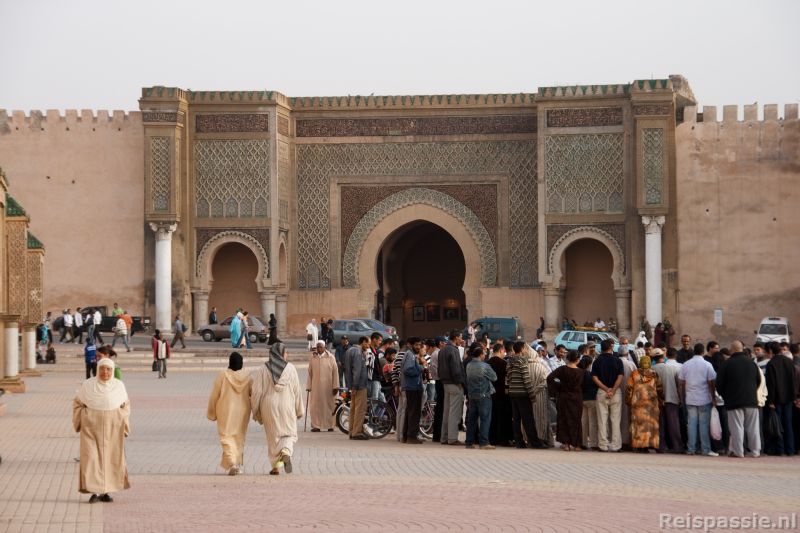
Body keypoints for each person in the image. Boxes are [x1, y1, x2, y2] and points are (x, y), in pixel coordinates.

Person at [72, 357, 130, 503]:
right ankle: (95, 491)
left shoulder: (119, 386)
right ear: (98, 370)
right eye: (102, 369)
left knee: (111, 458)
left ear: (112, 371)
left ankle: (106, 491)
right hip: (91, 428)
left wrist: (121, 418)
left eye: (109, 369)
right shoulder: (88, 385)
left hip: (113, 428)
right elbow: (77, 403)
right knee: (91, 458)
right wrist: (84, 418)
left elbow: (126, 405)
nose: (105, 372)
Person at [250, 342, 305, 475]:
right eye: (286, 353)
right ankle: (286, 451)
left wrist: (255, 411)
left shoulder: (263, 369)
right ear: (281, 354)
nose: (287, 355)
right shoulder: (291, 368)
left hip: (268, 407)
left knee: (273, 437)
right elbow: (297, 391)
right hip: (287, 405)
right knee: (289, 434)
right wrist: (299, 410)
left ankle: (275, 467)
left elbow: (257, 391)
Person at [207, 352, 252, 475]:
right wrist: (257, 412)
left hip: (225, 410)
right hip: (243, 412)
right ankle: (236, 464)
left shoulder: (223, 375)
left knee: (226, 436)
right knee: (239, 437)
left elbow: (214, 396)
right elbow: (253, 395)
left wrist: (211, 413)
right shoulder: (248, 377)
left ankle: (232, 463)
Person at [716, 341, 761, 458]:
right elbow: (758, 380)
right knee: (753, 427)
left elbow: (719, 383)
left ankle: (738, 452)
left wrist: (725, 396)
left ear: (732, 350)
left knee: (736, 427)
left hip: (733, 401)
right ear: (742, 349)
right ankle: (755, 451)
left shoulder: (727, 364)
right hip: (751, 400)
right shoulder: (752, 363)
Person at [678, 343, 718, 456]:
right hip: (704, 398)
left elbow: (681, 383)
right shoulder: (707, 365)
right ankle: (705, 449)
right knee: (704, 424)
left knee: (691, 424)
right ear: (703, 351)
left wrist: (682, 398)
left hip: (690, 398)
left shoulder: (686, 365)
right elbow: (712, 382)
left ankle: (691, 449)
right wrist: (713, 398)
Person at [506, 341, 547, 449]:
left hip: (513, 393)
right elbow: (526, 379)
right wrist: (532, 395)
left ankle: (519, 442)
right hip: (523, 394)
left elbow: (508, 378)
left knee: (516, 419)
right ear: (523, 349)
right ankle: (535, 443)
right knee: (528, 419)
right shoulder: (522, 361)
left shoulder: (510, 361)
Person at [592, 338, 625, 452]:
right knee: (615, 420)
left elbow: (594, 377)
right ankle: (616, 445)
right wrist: (613, 390)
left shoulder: (597, 361)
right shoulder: (618, 360)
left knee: (602, 420)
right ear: (611, 347)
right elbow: (620, 376)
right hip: (615, 393)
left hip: (602, 391)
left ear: (601, 348)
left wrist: (606, 389)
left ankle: (603, 445)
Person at [764, 341, 797, 456]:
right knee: (788, 423)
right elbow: (794, 381)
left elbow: (771, 384)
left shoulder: (771, 364)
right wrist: (794, 397)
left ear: (771, 351)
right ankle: (791, 449)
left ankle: (780, 450)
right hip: (788, 398)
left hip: (776, 399)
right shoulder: (789, 362)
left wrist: (771, 400)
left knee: (778, 425)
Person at [547, 350, 584, 451]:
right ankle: (577, 444)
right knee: (576, 420)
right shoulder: (581, 372)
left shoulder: (562, 369)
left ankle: (566, 444)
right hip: (576, 398)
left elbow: (550, 378)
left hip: (564, 396)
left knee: (564, 420)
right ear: (577, 359)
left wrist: (559, 387)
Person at [625, 355, 663, 452]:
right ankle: (649, 445)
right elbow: (660, 389)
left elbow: (629, 388)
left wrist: (628, 401)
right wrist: (661, 401)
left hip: (637, 404)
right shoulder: (654, 374)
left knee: (638, 425)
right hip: (651, 405)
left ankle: (638, 446)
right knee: (650, 426)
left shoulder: (634, 374)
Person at [465, 345, 497, 450]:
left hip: (472, 395)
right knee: (485, 419)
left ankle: (469, 442)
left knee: (472, 419)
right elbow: (494, 377)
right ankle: (483, 442)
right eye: (484, 353)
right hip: (484, 395)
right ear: (480, 355)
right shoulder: (484, 366)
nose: (485, 355)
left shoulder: (468, 365)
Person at [437, 330, 466, 445]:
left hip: (445, 383)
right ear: (456, 338)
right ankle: (452, 438)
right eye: (460, 338)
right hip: (454, 383)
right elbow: (456, 369)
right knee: (454, 413)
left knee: (447, 412)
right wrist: (460, 382)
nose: (462, 340)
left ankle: (444, 437)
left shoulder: (442, 350)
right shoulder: (453, 350)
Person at [653, 347, 683, 453]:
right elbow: (679, 385)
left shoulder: (652, 369)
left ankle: (661, 446)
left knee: (660, 424)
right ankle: (677, 446)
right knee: (673, 424)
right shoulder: (672, 368)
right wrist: (681, 398)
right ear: (663, 356)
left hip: (658, 401)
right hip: (672, 398)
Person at [524, 343, 552, 446]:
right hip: (540, 396)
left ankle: (529, 439)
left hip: (527, 396)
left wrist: (530, 391)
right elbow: (545, 381)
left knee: (529, 418)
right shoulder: (541, 366)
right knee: (541, 418)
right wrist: (536, 390)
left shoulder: (524, 367)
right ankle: (541, 439)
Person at [306, 341, 339, 432]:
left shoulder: (331, 358)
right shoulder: (313, 358)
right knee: (315, 406)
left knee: (329, 406)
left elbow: (335, 372)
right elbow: (310, 373)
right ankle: (316, 425)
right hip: (316, 386)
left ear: (325, 348)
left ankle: (330, 425)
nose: (319, 349)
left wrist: (335, 386)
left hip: (328, 387)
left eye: (321, 347)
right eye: (318, 347)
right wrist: (309, 386)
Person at [400, 337, 426, 444]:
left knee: (409, 412)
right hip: (413, 387)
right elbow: (408, 370)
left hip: (412, 386)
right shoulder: (410, 355)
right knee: (413, 413)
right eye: (416, 345)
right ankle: (411, 436)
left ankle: (406, 436)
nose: (418, 347)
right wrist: (421, 367)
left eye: (419, 345)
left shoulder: (410, 354)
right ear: (410, 345)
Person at [344, 336, 370, 440]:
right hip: (359, 385)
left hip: (353, 385)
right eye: (367, 344)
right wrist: (355, 386)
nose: (368, 346)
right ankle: (357, 432)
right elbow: (357, 370)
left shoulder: (350, 350)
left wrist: (351, 385)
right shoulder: (358, 353)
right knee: (360, 409)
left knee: (353, 409)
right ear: (363, 342)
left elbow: (348, 370)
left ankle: (352, 431)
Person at [487, 342, 513, 447]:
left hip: (490, 393)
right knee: (502, 417)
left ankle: (492, 438)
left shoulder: (487, 363)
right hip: (502, 394)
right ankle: (503, 439)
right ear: (501, 350)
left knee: (492, 416)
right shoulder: (504, 364)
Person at [578, 355, 598, 450]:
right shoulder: (590, 375)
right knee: (593, 422)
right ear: (589, 364)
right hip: (592, 399)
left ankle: (583, 442)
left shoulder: (579, 373)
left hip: (582, 399)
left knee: (583, 422)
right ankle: (593, 443)